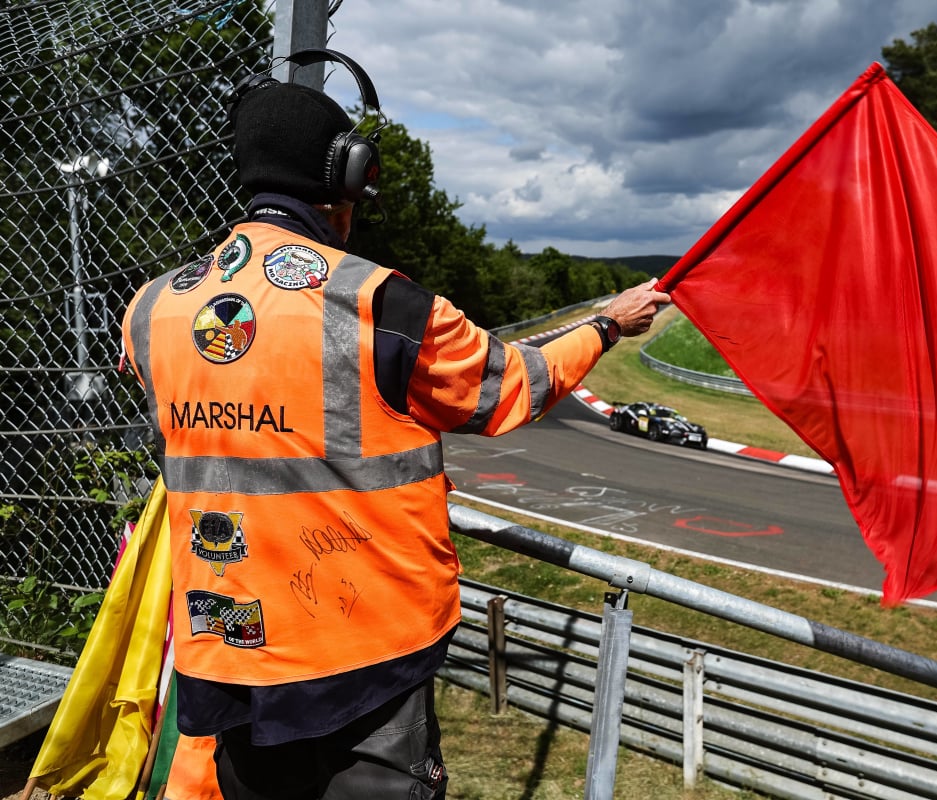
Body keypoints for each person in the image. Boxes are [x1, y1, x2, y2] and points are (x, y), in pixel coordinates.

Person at [120, 50, 669, 800]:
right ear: (342, 182)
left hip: (228, 645)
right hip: (364, 650)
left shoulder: (151, 310)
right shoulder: (386, 307)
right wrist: (607, 324)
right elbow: (512, 386)